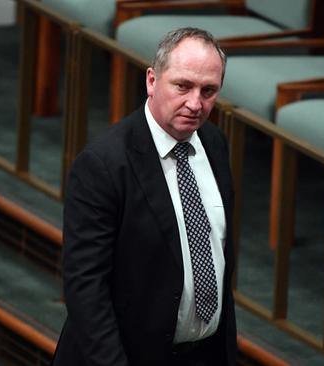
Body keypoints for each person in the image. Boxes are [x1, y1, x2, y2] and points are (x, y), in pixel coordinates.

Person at [52, 27, 236, 366]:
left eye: (208, 90)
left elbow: (219, 257)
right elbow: (85, 287)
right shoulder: (104, 164)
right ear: (152, 80)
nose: (195, 103)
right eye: (183, 86)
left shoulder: (214, 144)